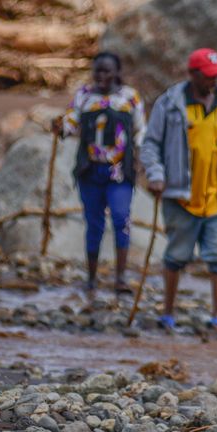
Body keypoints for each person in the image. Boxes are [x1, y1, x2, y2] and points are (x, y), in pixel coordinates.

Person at [140, 47, 217, 332]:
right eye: (208, 75)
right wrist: (156, 175)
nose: (214, 80)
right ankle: (167, 312)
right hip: (181, 197)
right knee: (176, 256)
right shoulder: (171, 103)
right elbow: (150, 143)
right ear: (193, 74)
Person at [53, 51, 145, 294]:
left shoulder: (129, 98)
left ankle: (121, 278)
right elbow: (70, 123)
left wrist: (145, 158)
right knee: (94, 224)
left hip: (119, 172)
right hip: (90, 170)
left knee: (120, 217)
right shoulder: (84, 96)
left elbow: (140, 131)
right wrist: (59, 127)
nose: (101, 75)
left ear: (116, 73)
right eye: (98, 70)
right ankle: (92, 278)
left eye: (106, 70)